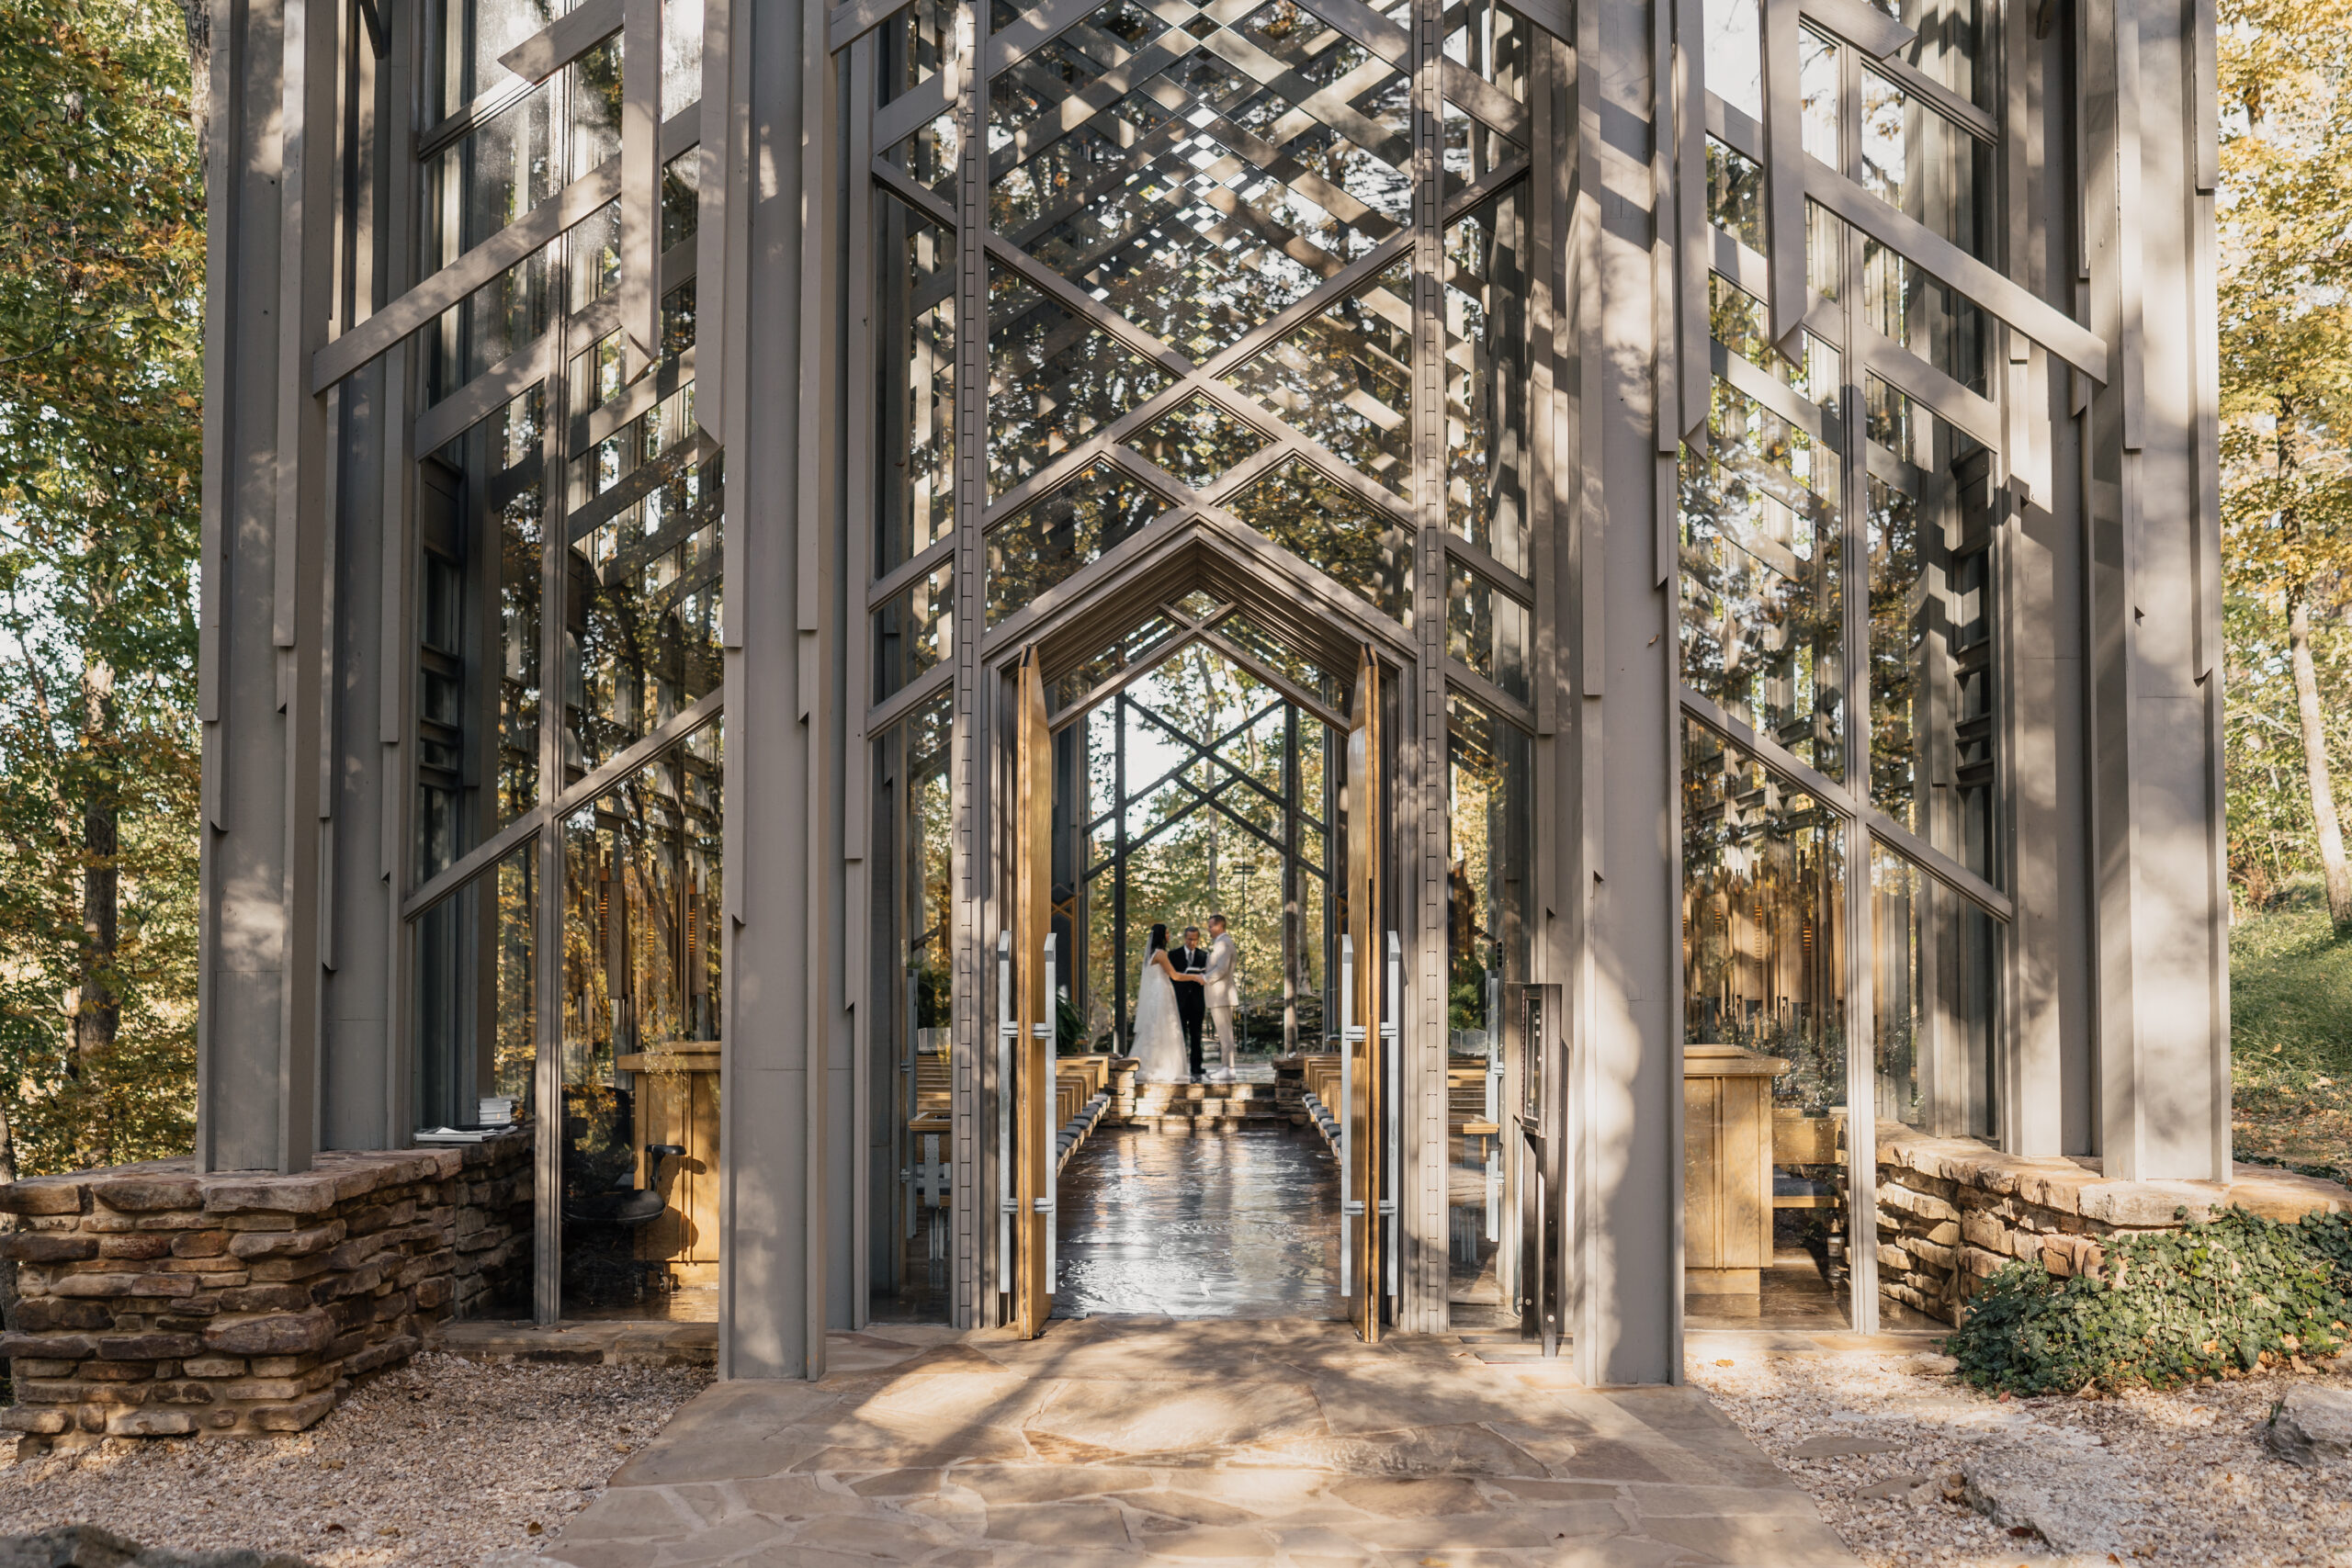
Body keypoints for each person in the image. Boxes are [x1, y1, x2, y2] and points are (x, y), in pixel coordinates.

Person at [1130, 923, 1198, 1084]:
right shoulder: (1160, 954)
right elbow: (1175, 976)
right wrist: (1196, 977)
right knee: (1164, 1027)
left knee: (1156, 1028)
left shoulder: (1152, 954)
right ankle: (1160, 1067)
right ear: (1161, 936)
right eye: (1167, 933)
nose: (1169, 936)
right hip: (1161, 993)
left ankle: (1152, 1064)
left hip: (1158, 992)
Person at [1203, 913, 1238, 1081]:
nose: (1208, 929)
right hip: (1219, 995)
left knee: (1225, 1034)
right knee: (1223, 1034)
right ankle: (1225, 1066)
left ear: (1219, 926)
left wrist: (1204, 978)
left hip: (1222, 995)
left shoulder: (1224, 943)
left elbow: (1222, 969)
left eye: (1210, 926)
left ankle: (1228, 1068)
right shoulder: (1220, 942)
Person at [1172, 925, 1210, 1080]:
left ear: (1198, 939)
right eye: (1189, 939)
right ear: (1184, 938)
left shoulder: (1204, 956)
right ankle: (1178, 1065)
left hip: (1197, 1001)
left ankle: (1196, 1066)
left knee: (1196, 1035)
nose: (1192, 943)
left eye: (1195, 940)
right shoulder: (1173, 955)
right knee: (1179, 1035)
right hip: (1179, 1002)